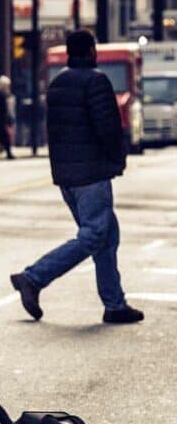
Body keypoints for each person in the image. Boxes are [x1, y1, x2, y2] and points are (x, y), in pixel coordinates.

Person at [10, 30, 143, 325]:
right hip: (91, 175)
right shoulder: (96, 81)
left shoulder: (57, 84)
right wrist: (117, 159)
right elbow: (107, 128)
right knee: (94, 234)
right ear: (92, 51)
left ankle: (115, 304)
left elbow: (54, 133)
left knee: (107, 236)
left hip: (68, 176)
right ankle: (33, 277)